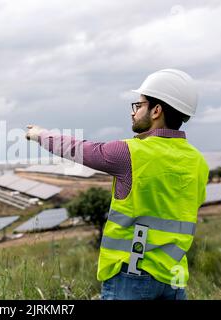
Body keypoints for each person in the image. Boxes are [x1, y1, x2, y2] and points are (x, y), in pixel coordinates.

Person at [26, 69, 209, 300]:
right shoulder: (199, 162)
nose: (133, 113)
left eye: (139, 105)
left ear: (156, 110)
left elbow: (80, 150)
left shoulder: (129, 153)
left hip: (132, 275)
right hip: (174, 277)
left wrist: (40, 135)